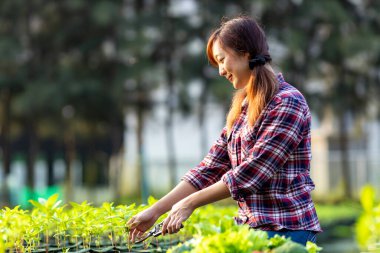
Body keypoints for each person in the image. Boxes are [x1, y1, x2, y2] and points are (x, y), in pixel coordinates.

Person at [127, 15, 322, 246]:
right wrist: (156, 210)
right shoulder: (242, 108)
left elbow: (254, 170)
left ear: (245, 53)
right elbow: (209, 168)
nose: (220, 71)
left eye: (221, 60)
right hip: (251, 230)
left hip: (288, 229)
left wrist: (190, 203)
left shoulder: (288, 102)